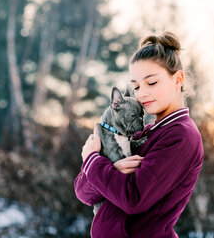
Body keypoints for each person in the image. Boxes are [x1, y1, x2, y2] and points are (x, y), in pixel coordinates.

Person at [74, 31, 204, 238]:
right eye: (136, 86)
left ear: (178, 78)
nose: (141, 93)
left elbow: (134, 200)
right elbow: (84, 194)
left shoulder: (181, 136)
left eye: (151, 83)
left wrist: (92, 161)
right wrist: (110, 168)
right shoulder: (143, 133)